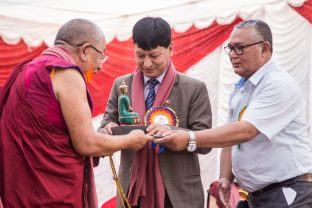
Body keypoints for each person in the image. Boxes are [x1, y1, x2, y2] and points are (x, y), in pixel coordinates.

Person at [154, 19, 312, 208]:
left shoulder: (277, 84)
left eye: (240, 48)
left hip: (289, 193)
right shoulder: (241, 88)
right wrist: (225, 179)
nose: (233, 56)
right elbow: (230, 141)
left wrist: (189, 138)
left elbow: (245, 131)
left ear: (265, 49)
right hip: (258, 195)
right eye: (230, 48)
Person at [0, 18, 152, 208]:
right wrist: (131, 140)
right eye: (102, 55)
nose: (101, 66)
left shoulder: (29, 69)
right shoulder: (65, 72)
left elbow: (60, 135)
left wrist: (101, 141)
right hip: (52, 195)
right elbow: (86, 143)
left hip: (23, 191)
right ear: (85, 51)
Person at [98, 17, 212, 208]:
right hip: (132, 190)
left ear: (171, 49)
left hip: (178, 194)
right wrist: (108, 129)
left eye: (154, 55)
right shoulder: (121, 85)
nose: (147, 63)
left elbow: (205, 142)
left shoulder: (194, 88)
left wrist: (172, 132)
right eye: (140, 56)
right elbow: (105, 128)